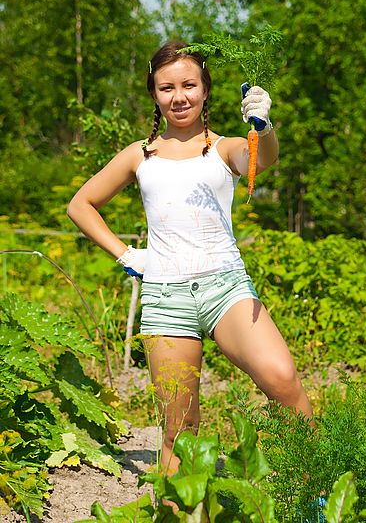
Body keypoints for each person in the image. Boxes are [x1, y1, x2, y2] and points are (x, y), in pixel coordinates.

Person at [67, 39, 313, 477]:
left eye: (188, 85)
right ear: (154, 94)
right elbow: (80, 205)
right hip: (166, 298)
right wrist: (127, 255)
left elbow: (262, 160)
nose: (178, 97)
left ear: (205, 90)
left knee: (283, 380)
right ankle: (180, 510)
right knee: (181, 429)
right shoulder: (139, 155)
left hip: (226, 291)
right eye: (166, 88)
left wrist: (263, 127)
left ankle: (317, 490)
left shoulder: (223, 148)